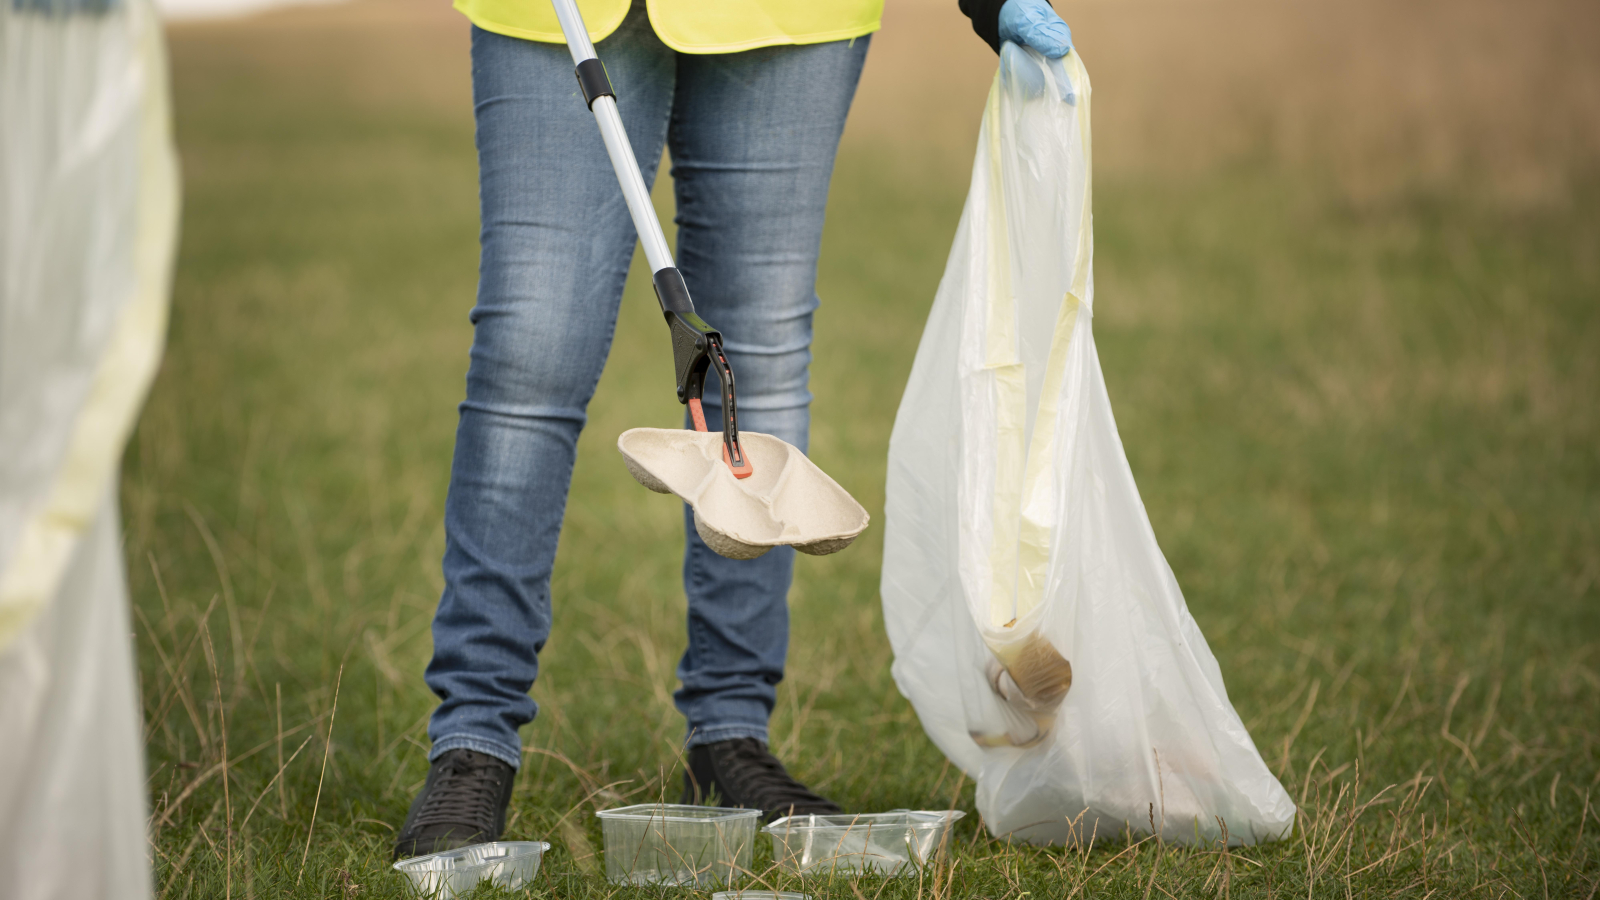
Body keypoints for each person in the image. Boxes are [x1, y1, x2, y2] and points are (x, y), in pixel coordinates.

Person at [393, 0, 1074, 859]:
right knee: (533, 352)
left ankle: (730, 736)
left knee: (758, 363)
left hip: (788, 19)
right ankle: (473, 741)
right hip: (558, 16)